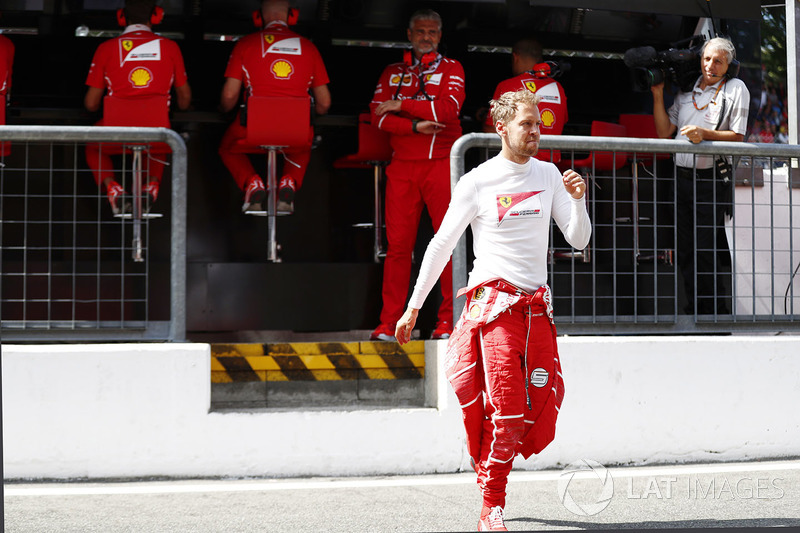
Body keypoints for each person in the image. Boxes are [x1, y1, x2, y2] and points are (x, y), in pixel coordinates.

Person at [396, 89, 591, 531]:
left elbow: (578, 240)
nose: (535, 132)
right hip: (495, 309)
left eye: (539, 124)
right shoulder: (478, 180)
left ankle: (488, 468)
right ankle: (492, 504)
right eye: (526, 124)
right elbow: (441, 244)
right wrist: (414, 307)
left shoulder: (549, 175)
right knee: (507, 406)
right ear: (501, 127)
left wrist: (577, 199)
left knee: (536, 404)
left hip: (537, 311)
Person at [368, 9, 465, 341]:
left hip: (441, 164)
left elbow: (449, 111)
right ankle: (389, 324)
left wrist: (401, 106)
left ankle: (448, 322)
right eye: (421, 31)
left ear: (440, 36)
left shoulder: (452, 68)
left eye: (433, 32)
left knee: (448, 243)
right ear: (409, 35)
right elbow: (378, 118)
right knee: (397, 248)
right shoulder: (393, 72)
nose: (427, 36)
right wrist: (415, 124)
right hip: (403, 168)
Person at [651, 36, 750, 315]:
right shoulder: (686, 91)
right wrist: (658, 95)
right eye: (707, 59)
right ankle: (694, 309)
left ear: (729, 65)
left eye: (718, 60)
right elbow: (663, 132)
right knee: (685, 250)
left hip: (710, 180)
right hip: (680, 178)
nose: (711, 65)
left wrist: (704, 135)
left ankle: (714, 313)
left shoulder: (735, 88)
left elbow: (738, 136)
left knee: (706, 251)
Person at [218, 0, 331, 215]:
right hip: (295, 132)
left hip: (252, 130)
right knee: (303, 145)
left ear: (258, 17)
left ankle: (253, 184)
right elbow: (324, 103)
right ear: (293, 16)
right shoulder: (309, 47)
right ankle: (288, 182)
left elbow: (230, 95)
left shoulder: (246, 44)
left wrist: (223, 110)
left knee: (227, 148)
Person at [84, 0, 191, 215]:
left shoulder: (105, 48)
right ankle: (150, 187)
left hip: (116, 134)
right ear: (156, 16)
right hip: (156, 134)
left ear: (121, 17)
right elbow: (185, 100)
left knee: (92, 145)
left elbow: (91, 103)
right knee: (161, 140)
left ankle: (113, 188)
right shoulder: (171, 47)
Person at [483, 38, 567, 164]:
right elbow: (563, 122)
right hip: (550, 167)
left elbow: (492, 129)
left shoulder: (507, 86)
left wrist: (481, 121)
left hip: (519, 164)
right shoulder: (558, 88)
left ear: (515, 57)